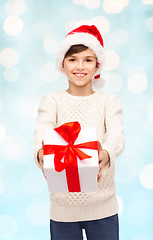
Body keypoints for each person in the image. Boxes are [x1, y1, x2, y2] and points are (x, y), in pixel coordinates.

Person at [33, 25, 125, 240]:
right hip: (63, 210)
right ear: (62, 64)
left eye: (88, 59)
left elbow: (116, 135)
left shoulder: (108, 101)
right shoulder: (52, 101)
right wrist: (41, 153)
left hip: (103, 208)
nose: (80, 66)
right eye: (72, 59)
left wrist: (105, 154)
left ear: (97, 65)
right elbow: (42, 131)